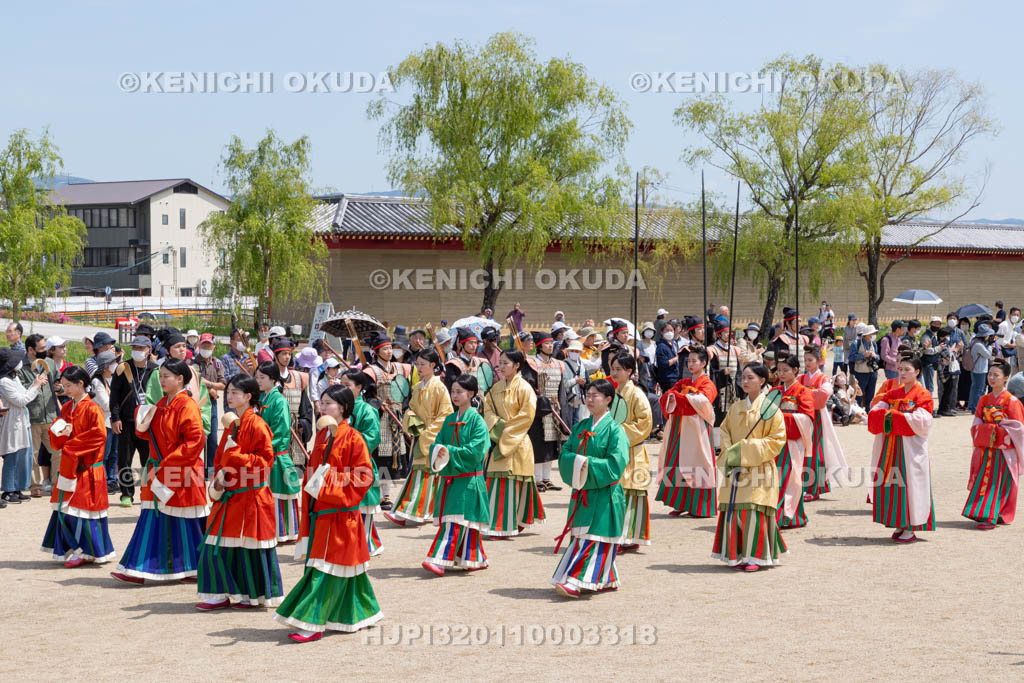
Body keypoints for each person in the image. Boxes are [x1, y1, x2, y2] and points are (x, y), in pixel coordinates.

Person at [275, 385, 382, 641]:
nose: (323, 408)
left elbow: (364, 476)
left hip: (342, 515)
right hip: (321, 512)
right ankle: (360, 615)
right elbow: (313, 478)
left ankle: (312, 623)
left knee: (325, 570)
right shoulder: (322, 437)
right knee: (343, 571)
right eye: (321, 403)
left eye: (329, 403)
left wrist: (328, 479)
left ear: (344, 407)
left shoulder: (354, 438)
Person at [111, 358, 209, 584]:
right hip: (160, 468)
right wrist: (143, 418)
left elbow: (194, 442)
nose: (162, 380)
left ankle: (194, 567)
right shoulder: (163, 404)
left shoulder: (188, 406)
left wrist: (168, 465)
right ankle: (137, 568)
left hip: (182, 472)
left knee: (186, 522)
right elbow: (148, 435)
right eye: (161, 376)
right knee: (153, 518)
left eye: (167, 376)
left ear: (180, 379)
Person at [195, 374, 282, 610]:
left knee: (247, 549)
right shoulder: (233, 424)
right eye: (229, 392)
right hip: (230, 494)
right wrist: (220, 477)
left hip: (251, 496)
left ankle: (251, 595)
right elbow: (220, 457)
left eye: (235, 392)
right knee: (216, 544)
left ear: (248, 397)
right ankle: (220, 592)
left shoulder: (258, 425)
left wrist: (237, 458)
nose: (229, 396)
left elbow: (265, 462)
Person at [550, 379, 629, 598]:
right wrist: (575, 462)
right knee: (585, 535)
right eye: (589, 394)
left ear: (608, 399)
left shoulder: (615, 431)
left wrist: (586, 464)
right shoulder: (580, 427)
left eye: (596, 395)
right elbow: (565, 453)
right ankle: (606, 577)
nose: (590, 399)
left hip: (605, 494)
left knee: (596, 536)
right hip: (583, 492)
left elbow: (616, 464)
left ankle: (576, 580)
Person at [713, 362, 788, 570]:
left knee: (752, 511)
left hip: (759, 469)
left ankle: (755, 556)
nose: (745, 381)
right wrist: (731, 455)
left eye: (750, 378)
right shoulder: (736, 408)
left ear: (762, 381)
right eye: (743, 377)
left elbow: (776, 441)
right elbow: (724, 431)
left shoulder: (772, 410)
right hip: (736, 468)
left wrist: (744, 450)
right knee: (735, 511)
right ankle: (738, 554)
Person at [40, 366, 115, 566]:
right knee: (67, 509)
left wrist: (71, 444)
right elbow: (58, 438)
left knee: (83, 510)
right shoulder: (66, 408)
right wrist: (57, 431)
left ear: (81, 384)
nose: (66, 390)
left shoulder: (93, 408)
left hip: (89, 467)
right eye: (63, 386)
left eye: (69, 385)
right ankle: (74, 548)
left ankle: (86, 551)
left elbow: (99, 436)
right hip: (70, 466)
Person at [422, 374, 490, 576]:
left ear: (471, 394)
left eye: (459, 391)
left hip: (469, 480)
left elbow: (477, 451)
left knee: (456, 521)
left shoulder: (478, 421)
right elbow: (437, 443)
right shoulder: (450, 420)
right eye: (452, 391)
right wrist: (438, 450)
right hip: (450, 479)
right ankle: (473, 558)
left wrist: (448, 451)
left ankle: (438, 558)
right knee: (461, 520)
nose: (455, 395)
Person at [867, 355, 934, 543]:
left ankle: (911, 526)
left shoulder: (922, 395)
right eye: (901, 369)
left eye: (907, 369)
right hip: (891, 447)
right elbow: (874, 411)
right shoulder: (893, 393)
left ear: (918, 372)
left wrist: (893, 417)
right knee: (894, 484)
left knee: (910, 483)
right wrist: (895, 416)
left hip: (909, 448)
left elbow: (923, 422)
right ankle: (900, 521)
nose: (902, 373)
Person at [387, 349, 453, 525]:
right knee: (419, 472)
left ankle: (409, 511)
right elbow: (412, 408)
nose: (419, 367)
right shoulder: (417, 387)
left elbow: (446, 414)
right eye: (418, 364)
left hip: (434, 436)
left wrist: (428, 432)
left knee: (426, 474)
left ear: (433, 365)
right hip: (420, 435)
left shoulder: (440, 387)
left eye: (423, 364)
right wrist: (412, 422)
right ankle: (416, 511)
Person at [482, 349, 541, 538]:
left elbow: (526, 416)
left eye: (506, 363)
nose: (501, 366)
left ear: (517, 365)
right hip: (498, 439)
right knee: (497, 483)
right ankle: (499, 523)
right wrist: (497, 427)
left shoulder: (525, 388)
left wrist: (505, 432)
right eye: (500, 362)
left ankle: (508, 523)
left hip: (517, 441)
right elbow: (487, 410)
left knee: (515, 484)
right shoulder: (496, 387)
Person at [656, 345, 718, 518]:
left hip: (697, 430)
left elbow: (703, 401)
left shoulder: (707, 383)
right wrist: (679, 397)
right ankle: (680, 502)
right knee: (676, 461)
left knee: (698, 464)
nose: (690, 364)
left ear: (703, 363)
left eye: (694, 361)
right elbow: (669, 394)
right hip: (680, 427)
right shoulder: (684, 382)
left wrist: (680, 398)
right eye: (688, 361)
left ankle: (699, 507)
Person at [962, 359, 1023, 529]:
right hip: (986, 448)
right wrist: (987, 429)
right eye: (990, 374)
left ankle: (991, 515)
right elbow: (976, 423)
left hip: (1003, 451)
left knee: (997, 482)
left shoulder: (1012, 402)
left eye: (996, 375)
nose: (992, 378)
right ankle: (983, 512)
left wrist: (998, 430)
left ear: (1006, 378)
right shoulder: (984, 399)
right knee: (984, 480)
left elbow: (1018, 429)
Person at [361, 334, 412, 511]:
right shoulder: (370, 372)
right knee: (381, 456)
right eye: (385, 348)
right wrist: (378, 404)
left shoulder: (401, 368)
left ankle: (388, 493)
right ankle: (381, 494)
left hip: (397, 414)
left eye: (391, 348)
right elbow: (367, 395)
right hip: (381, 417)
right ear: (376, 351)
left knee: (395, 455)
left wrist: (403, 408)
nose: (389, 352)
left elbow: (407, 392)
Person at [610, 353, 653, 551]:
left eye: (619, 369)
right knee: (618, 492)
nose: (615, 373)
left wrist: (617, 433)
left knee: (629, 492)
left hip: (632, 450)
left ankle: (628, 536)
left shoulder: (636, 394)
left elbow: (644, 423)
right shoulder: (613, 392)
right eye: (613, 369)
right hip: (615, 451)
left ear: (629, 371)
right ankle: (621, 535)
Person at [255, 362, 301, 543]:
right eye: (257, 377)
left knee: (281, 493)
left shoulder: (279, 400)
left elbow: (281, 431)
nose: (258, 381)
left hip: (275, 453)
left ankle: (286, 531)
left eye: (262, 378)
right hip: (264, 451)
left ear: (273, 379)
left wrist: (264, 447)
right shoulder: (262, 398)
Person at [339, 369, 383, 557]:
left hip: (360, 465)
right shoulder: (339, 408)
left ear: (359, 388)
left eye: (347, 385)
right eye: (341, 384)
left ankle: (364, 545)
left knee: (362, 507)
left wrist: (346, 440)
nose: (343, 389)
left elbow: (372, 438)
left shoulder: (367, 410)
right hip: (342, 467)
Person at [109, 336, 157, 507]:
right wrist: (115, 418)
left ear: (148, 350)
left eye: (141, 348)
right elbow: (114, 396)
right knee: (125, 460)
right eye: (134, 347)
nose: (137, 350)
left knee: (148, 460)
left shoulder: (155, 370)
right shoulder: (123, 368)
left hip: (148, 423)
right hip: (127, 421)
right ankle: (126, 493)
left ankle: (147, 491)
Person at [799, 345, 848, 501]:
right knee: (800, 450)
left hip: (816, 417)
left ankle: (815, 487)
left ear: (819, 361)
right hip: (801, 416)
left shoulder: (823, 378)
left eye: (810, 360)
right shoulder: (800, 378)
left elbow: (824, 394)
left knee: (815, 452)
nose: (807, 363)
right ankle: (802, 486)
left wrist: (804, 393)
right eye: (805, 360)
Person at [0, 347, 49, 505]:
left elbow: (24, 395)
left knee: (24, 455)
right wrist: (35, 385)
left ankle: (18, 488)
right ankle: (8, 490)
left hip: (23, 420)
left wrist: (36, 384)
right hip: (12, 422)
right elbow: (20, 400)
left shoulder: (14, 378)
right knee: (12, 454)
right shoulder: (4, 381)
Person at [772, 355, 814, 529]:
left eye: (785, 370)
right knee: (774, 479)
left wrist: (780, 418)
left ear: (796, 371)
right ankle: (783, 514)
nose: (781, 373)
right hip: (774, 442)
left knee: (789, 478)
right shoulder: (774, 391)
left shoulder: (803, 392)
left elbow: (807, 419)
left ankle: (787, 515)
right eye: (779, 370)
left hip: (792, 443)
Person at [145, 332, 212, 435]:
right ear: (167, 351)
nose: (182, 349)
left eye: (184, 346)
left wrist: (198, 425)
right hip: (168, 431)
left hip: (192, 427)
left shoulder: (193, 372)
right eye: (177, 346)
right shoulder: (158, 373)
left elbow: (204, 403)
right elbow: (154, 403)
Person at [270, 338, 313, 474]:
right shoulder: (268, 378)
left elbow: (306, 408)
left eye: (289, 354)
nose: (287, 357)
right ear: (276, 356)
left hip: (295, 432)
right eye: (283, 354)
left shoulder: (299, 378)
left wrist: (303, 424)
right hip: (276, 429)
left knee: (296, 472)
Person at [21, 334, 57, 497]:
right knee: (33, 453)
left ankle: (57, 483)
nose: (45, 351)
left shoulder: (50, 363)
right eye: (41, 348)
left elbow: (58, 383)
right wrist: (35, 383)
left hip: (50, 415)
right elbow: (19, 392)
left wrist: (60, 387)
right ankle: (35, 484)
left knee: (58, 450)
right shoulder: (21, 366)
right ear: (31, 350)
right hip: (32, 416)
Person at [530, 331, 567, 490]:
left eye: (551, 343)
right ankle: (537, 479)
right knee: (539, 445)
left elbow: (561, 389)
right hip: (538, 409)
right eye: (547, 343)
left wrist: (560, 408)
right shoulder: (531, 363)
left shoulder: (559, 364)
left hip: (554, 408)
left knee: (552, 445)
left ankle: (546, 478)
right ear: (539, 346)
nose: (550, 345)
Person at [193, 333, 226, 477]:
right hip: (196, 403)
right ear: (199, 346)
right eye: (203, 345)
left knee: (212, 438)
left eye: (209, 345)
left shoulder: (217, 363)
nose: (206, 348)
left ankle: (211, 470)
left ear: (213, 346)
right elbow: (192, 379)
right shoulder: (192, 362)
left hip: (211, 404)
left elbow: (223, 384)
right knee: (196, 437)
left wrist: (210, 385)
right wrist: (210, 389)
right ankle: (195, 470)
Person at [88, 350, 118, 493]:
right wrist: (118, 402)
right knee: (104, 454)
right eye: (113, 362)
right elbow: (106, 404)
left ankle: (112, 479)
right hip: (103, 423)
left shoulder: (111, 378)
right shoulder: (96, 381)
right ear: (105, 366)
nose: (115, 365)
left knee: (114, 453)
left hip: (114, 421)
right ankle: (103, 480)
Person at [849, 324, 880, 407]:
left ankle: (868, 412)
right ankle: (857, 412)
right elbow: (851, 358)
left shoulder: (874, 344)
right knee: (859, 394)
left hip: (872, 373)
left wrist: (875, 356)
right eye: (872, 334)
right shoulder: (856, 344)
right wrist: (863, 355)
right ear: (866, 335)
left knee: (870, 395)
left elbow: (878, 357)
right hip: (861, 373)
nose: (873, 336)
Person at [968, 324, 996, 412]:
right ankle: (976, 408)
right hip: (979, 370)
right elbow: (987, 355)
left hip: (975, 369)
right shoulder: (979, 345)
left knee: (974, 388)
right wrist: (990, 346)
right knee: (980, 389)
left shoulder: (974, 341)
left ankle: (972, 405)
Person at [770, 307, 808, 374]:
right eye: (796, 321)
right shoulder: (781, 340)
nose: (799, 324)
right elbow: (780, 363)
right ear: (788, 323)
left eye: (800, 321)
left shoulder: (804, 339)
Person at [920, 316, 943, 394]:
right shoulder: (926, 336)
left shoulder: (936, 335)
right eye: (935, 323)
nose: (936, 326)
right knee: (928, 385)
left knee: (930, 384)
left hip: (933, 364)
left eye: (938, 324)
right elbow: (927, 350)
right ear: (930, 324)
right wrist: (939, 348)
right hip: (927, 364)